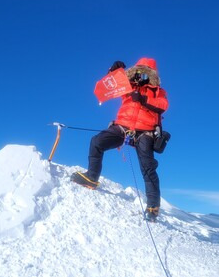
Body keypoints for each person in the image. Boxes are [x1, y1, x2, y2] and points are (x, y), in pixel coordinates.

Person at [72, 57, 169, 222]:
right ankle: (91, 177)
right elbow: (111, 86)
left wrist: (144, 100)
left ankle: (153, 207)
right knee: (97, 141)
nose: (141, 76)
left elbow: (162, 105)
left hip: (145, 132)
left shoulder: (157, 91)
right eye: (138, 72)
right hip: (123, 127)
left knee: (147, 167)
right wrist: (114, 71)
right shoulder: (128, 87)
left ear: (151, 75)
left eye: (145, 73)